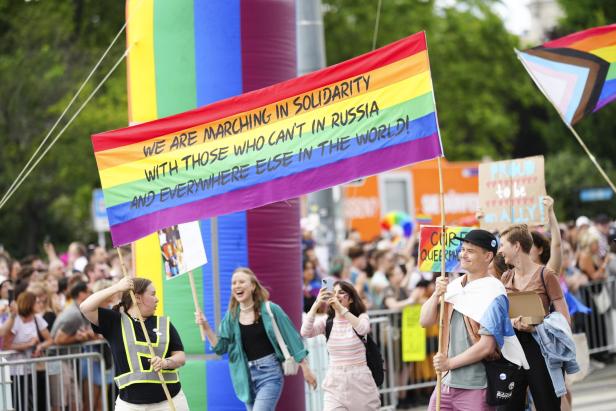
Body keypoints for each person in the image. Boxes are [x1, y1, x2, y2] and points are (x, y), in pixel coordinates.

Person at [420, 229, 528, 411]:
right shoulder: (453, 286)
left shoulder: (494, 292)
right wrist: (435, 295)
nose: (463, 254)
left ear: (487, 256)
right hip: (445, 383)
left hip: (477, 386)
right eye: (463, 249)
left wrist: (449, 363)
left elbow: (487, 346)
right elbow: (424, 321)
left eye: (470, 251)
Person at [196, 267, 317, 410]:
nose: (237, 286)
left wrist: (306, 368)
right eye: (234, 283)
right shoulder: (231, 316)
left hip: (269, 374)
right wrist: (205, 325)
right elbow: (220, 347)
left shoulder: (270, 309)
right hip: (244, 377)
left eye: (242, 282)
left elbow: (292, 338)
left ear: (253, 286)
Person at [80, 277, 190, 410]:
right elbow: (85, 307)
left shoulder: (164, 323)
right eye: (153, 294)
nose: (157, 299)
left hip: (170, 400)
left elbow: (180, 357)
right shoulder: (115, 321)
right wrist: (117, 288)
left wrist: (165, 362)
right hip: (130, 404)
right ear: (138, 297)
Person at [499, 224, 570, 411]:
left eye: (502, 245)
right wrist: (512, 321)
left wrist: (535, 326)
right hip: (513, 349)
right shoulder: (505, 277)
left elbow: (564, 320)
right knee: (507, 407)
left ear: (516, 246)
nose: (499, 250)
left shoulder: (546, 275)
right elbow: (499, 315)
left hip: (541, 349)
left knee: (547, 405)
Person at [301, 280, 381, 410]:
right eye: (334, 292)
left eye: (341, 293)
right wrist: (316, 304)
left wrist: (341, 309)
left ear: (350, 299)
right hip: (335, 383)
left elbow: (363, 329)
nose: (336, 295)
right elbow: (305, 332)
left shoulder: (361, 317)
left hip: (360, 382)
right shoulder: (327, 322)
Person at [4, 291, 53, 410]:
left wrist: (40, 346)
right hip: (16, 370)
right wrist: (27, 344)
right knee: (20, 403)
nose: (40, 304)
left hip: (33, 368)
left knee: (38, 401)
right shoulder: (15, 320)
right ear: (29, 304)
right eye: (36, 302)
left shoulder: (37, 319)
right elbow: (6, 346)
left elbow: (50, 339)